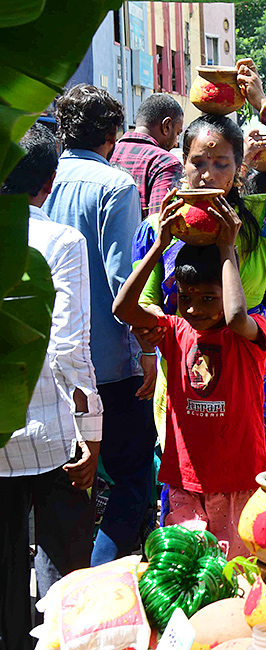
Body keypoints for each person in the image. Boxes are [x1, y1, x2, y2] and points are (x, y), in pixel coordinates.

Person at [132, 58, 266, 470]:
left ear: (239, 168)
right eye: (198, 162)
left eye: (221, 164)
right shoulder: (160, 227)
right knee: (189, 480)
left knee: (255, 478)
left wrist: (263, 105)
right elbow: (148, 302)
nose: (207, 175)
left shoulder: (260, 216)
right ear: (181, 162)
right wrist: (151, 326)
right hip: (187, 368)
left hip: (251, 359)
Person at [113, 194, 266, 558]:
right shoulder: (174, 330)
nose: (195, 308)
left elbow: (233, 316)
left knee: (233, 574)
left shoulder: (249, 333)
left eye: (209, 298)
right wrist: (159, 247)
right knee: (187, 569)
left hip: (239, 480)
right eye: (186, 297)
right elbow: (123, 308)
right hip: (186, 482)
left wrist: (227, 248)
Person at [0, 124, 102, 650]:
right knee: (61, 566)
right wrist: (91, 431)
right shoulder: (61, 242)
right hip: (50, 435)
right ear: (50, 180)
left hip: (4, 435)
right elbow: (68, 346)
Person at [42, 84, 157, 566]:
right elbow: (121, 283)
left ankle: (65, 588)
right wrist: (149, 349)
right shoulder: (115, 186)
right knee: (133, 481)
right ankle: (95, 579)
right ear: (112, 134)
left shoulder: (40, 181)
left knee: (71, 485)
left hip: (49, 363)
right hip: (108, 365)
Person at [110, 93, 184, 218]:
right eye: (177, 133)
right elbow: (159, 223)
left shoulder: (107, 152)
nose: (176, 143)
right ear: (166, 126)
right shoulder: (166, 162)